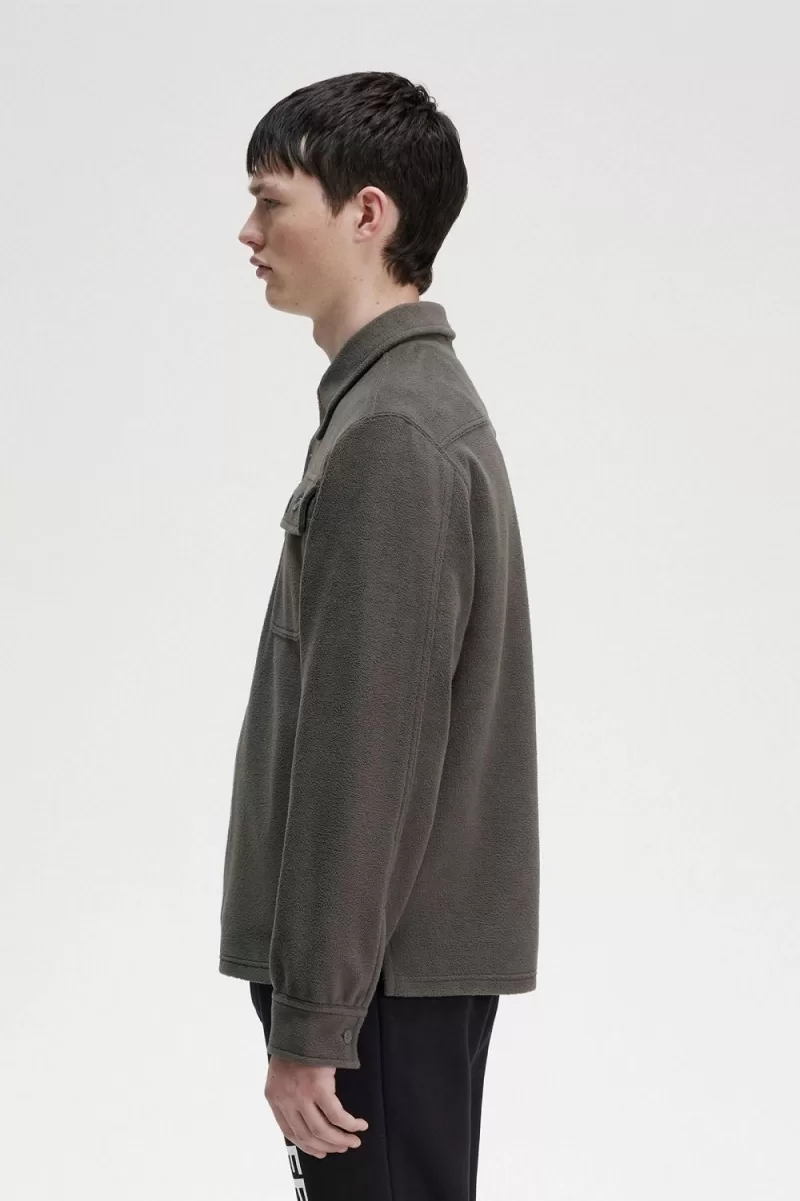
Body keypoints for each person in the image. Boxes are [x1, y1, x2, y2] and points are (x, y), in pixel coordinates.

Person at [219, 69, 540, 1201]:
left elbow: (368, 755)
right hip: (388, 976)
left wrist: (316, 1018)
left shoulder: (392, 433)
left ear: (368, 213)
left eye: (271, 202)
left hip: (377, 986)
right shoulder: (394, 407)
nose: (248, 233)